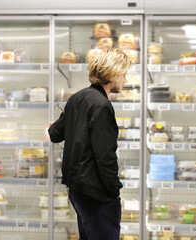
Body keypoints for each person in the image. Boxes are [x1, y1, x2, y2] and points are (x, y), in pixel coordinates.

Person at [48, 48, 132, 240]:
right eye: (124, 74)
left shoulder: (77, 97)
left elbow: (54, 134)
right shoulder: (102, 105)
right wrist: (114, 192)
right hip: (97, 194)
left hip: (77, 189)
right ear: (112, 74)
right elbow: (105, 156)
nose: (125, 80)